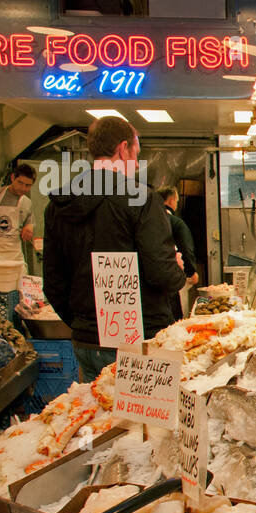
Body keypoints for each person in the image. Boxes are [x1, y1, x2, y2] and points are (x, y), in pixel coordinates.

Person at [43, 117, 187, 382]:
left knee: (98, 422)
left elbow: (53, 283)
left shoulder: (57, 205)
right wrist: (178, 271)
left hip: (86, 342)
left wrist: (85, 325)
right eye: (136, 155)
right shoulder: (142, 199)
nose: (135, 163)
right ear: (123, 149)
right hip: (139, 343)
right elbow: (161, 274)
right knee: (141, 424)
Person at [157, 186, 200, 318]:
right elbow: (186, 248)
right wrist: (191, 271)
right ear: (171, 201)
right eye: (176, 201)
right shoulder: (177, 223)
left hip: (156, 279)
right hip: (177, 277)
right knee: (179, 314)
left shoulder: (149, 221)